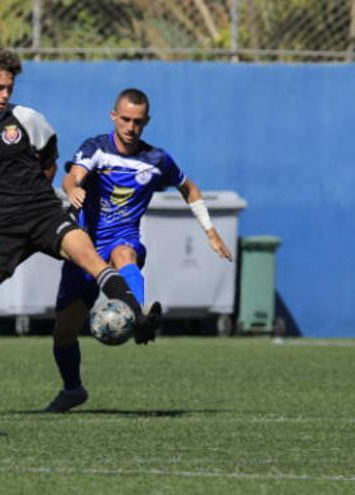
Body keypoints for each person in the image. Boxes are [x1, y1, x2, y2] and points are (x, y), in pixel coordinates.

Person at [0, 49, 161, 415]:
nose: (4, 95)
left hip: (44, 213)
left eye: (9, 88)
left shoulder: (28, 119)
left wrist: (39, 190)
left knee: (91, 257)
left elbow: (50, 160)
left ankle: (138, 318)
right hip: (1, 226)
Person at [44, 88, 233, 413]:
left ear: (146, 122)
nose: (131, 127)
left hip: (123, 237)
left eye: (138, 121)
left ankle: (140, 315)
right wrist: (73, 189)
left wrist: (211, 231)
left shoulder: (156, 160)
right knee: (63, 332)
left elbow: (188, 188)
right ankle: (73, 389)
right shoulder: (96, 148)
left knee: (125, 255)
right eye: (126, 119)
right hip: (85, 247)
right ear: (113, 116)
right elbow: (72, 178)